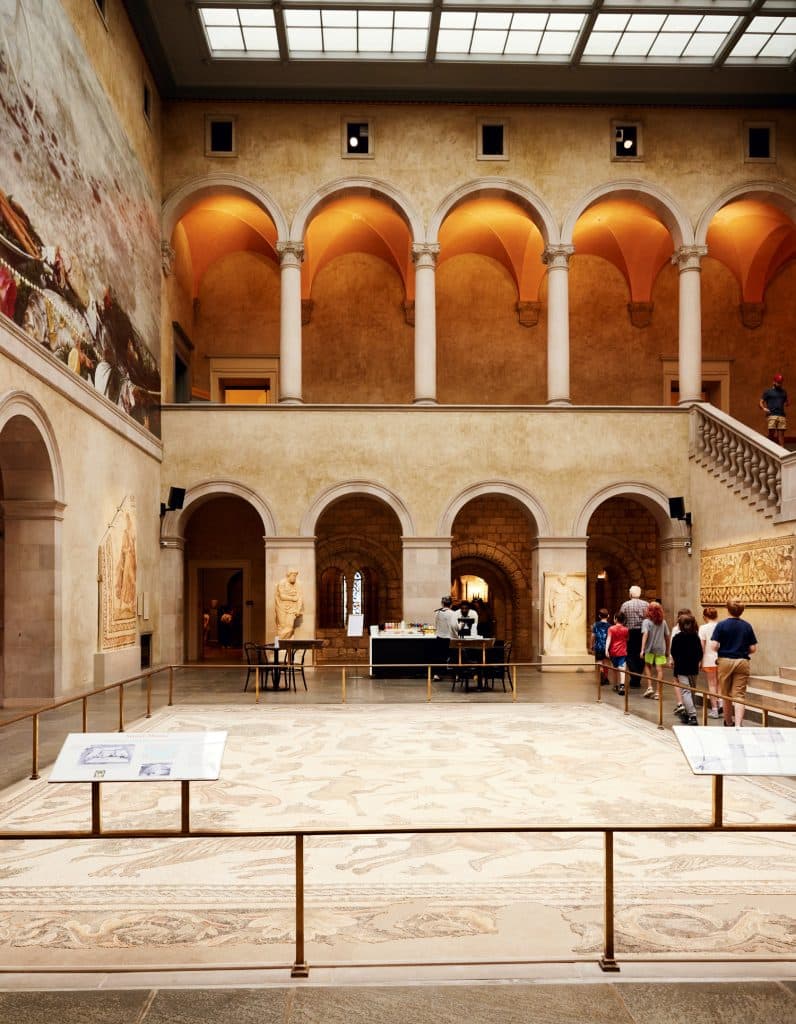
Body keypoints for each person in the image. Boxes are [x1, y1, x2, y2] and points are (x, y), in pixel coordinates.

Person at [710, 600, 758, 727]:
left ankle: (728, 722)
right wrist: (741, 649)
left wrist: (723, 648)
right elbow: (753, 648)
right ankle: (738, 725)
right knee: (739, 695)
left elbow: (713, 646)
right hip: (742, 661)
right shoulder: (747, 626)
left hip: (725, 660)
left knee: (725, 694)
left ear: (728, 609)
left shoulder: (721, 625)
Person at [670, 612, 702, 725]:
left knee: (686, 691)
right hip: (693, 668)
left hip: (681, 668)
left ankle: (692, 716)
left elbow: (673, 652)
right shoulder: (696, 637)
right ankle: (689, 713)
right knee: (691, 691)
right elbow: (700, 653)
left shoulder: (677, 638)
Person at [619, 586, 649, 689]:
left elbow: (621, 619)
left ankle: (634, 676)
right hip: (642, 633)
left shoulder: (625, 605)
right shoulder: (646, 604)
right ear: (640, 594)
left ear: (630, 594)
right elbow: (648, 619)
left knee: (630, 654)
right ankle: (637, 677)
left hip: (630, 632)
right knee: (641, 654)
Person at [640, 601, 670, 699]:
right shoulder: (663, 622)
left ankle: (649, 687)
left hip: (649, 648)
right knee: (659, 670)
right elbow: (667, 636)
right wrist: (667, 650)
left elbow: (645, 635)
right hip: (660, 648)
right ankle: (658, 692)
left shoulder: (646, 622)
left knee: (647, 666)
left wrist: (642, 649)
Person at [699, 606, 722, 718]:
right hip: (722, 658)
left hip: (708, 658)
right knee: (720, 683)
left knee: (711, 684)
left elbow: (702, 646)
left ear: (705, 616)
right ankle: (721, 702)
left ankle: (714, 709)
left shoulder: (703, 628)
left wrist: (699, 660)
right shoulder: (721, 626)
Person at [433, 596, 459, 681]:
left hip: (439, 637)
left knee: (440, 657)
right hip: (450, 638)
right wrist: (461, 626)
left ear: (442, 603)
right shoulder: (453, 613)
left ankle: (437, 674)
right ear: (451, 604)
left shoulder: (437, 613)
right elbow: (454, 626)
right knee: (453, 657)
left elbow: (436, 625)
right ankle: (455, 675)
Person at [759, 372, 788, 447]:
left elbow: (786, 402)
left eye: (781, 382)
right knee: (771, 433)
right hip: (772, 414)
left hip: (781, 415)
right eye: (778, 382)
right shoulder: (768, 392)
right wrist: (764, 408)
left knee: (781, 434)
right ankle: (769, 448)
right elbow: (761, 402)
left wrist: (786, 404)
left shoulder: (784, 392)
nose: (780, 384)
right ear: (774, 382)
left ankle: (782, 451)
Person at [275, 568, 304, 640]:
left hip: (292, 609)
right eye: (293, 575)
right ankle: (281, 647)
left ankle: (278, 643)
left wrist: (298, 609)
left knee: (290, 627)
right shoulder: (282, 583)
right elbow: (282, 596)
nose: (294, 578)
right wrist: (293, 598)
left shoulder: (298, 584)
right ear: (289, 575)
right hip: (281, 607)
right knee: (282, 626)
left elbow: (300, 597)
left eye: (295, 576)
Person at [606, 611, 629, 694]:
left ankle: (615, 685)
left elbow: (608, 639)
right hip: (622, 651)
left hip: (613, 652)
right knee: (622, 669)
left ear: (615, 619)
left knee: (614, 669)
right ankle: (622, 685)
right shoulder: (626, 629)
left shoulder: (611, 628)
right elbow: (626, 639)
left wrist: (606, 650)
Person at [590, 608, 611, 686]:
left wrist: (591, 645)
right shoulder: (610, 626)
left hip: (598, 646)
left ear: (599, 616)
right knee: (606, 662)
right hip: (607, 647)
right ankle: (605, 677)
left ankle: (601, 674)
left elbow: (593, 635)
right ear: (608, 616)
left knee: (599, 662)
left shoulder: (596, 625)